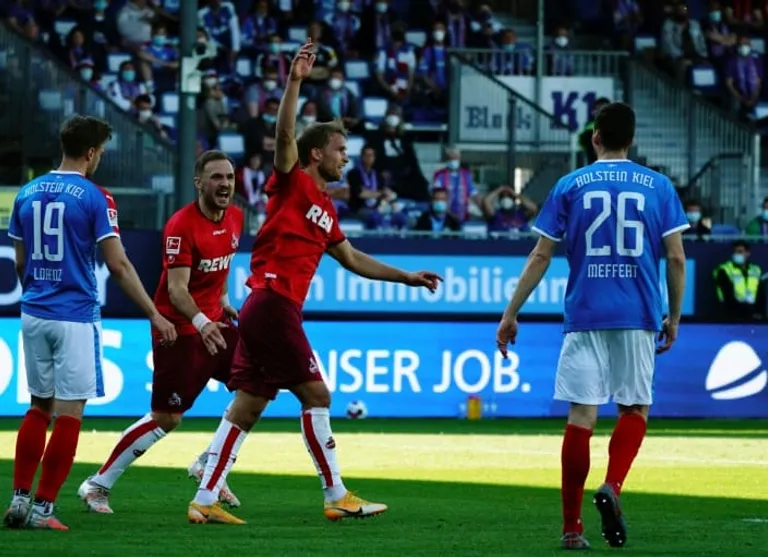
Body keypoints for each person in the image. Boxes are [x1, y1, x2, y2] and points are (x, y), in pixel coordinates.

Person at [186, 39, 442, 525]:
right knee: (318, 396)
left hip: (267, 306)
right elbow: (285, 134)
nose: (346, 158)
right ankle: (336, 493)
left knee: (248, 405)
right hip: (274, 302)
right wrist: (294, 81)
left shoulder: (326, 209)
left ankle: (205, 496)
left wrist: (406, 277)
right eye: (340, 150)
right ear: (316, 153)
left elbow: (351, 257)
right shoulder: (292, 181)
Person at [495, 103, 688, 550]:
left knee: (581, 417)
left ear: (595, 138)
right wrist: (674, 317)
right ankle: (612, 485)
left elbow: (540, 255)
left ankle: (571, 529)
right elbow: (676, 258)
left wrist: (510, 313)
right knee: (634, 408)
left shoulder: (569, 184)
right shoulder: (659, 186)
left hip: (584, 315)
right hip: (638, 314)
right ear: (632, 140)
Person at [3, 115, 177, 531]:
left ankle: (19, 498)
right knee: (70, 413)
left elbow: (21, 262)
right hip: (75, 316)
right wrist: (154, 313)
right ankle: (43, 510)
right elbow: (117, 264)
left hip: (33, 312)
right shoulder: (95, 197)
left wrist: (38, 294)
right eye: (101, 152)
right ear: (92, 152)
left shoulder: (27, 192)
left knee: (38, 406)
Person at [78, 150, 245, 514]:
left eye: (230, 177)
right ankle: (97, 484)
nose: (225, 184)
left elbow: (221, 265)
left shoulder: (235, 217)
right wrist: (202, 322)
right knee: (167, 417)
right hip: (180, 330)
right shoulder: (181, 225)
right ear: (198, 183)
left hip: (215, 323)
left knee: (258, 383)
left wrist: (224, 298)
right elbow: (176, 290)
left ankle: (210, 463)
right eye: (216, 177)